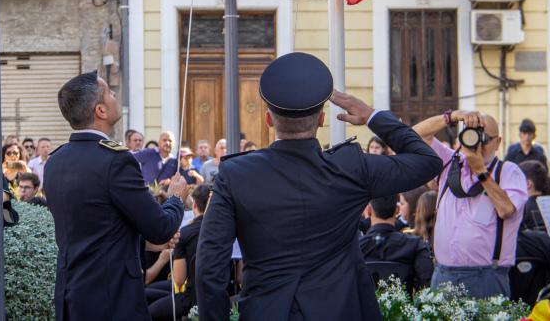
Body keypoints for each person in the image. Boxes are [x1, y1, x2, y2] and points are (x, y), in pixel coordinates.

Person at [195, 52, 442, 320]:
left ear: (268, 120)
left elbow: (210, 265)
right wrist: (371, 116)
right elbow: (427, 161)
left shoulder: (235, 174)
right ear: (322, 118)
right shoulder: (351, 167)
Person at [45, 70, 190, 321]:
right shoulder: (116, 160)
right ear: (100, 110)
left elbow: (98, 225)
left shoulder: (55, 160)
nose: (115, 96)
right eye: (110, 93)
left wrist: (141, 239)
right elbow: (161, 228)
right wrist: (176, 198)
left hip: (72, 296)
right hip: (112, 299)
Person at [413, 110, 528, 299]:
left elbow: (506, 209)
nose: (478, 144)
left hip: (486, 277)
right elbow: (415, 135)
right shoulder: (449, 164)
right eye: (472, 135)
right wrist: (451, 117)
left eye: (484, 139)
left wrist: (480, 171)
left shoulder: (508, 172)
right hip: (442, 274)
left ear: (498, 142)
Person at [149, 184, 212, 320]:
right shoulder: (226, 231)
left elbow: (178, 280)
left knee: (150, 312)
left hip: (193, 300)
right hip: (221, 297)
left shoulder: (185, 232)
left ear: (194, 205)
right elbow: (239, 278)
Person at [359, 194, 433, 292]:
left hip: (366, 306)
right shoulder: (414, 245)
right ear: (397, 209)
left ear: (368, 210)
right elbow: (426, 284)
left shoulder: (356, 247)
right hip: (403, 306)